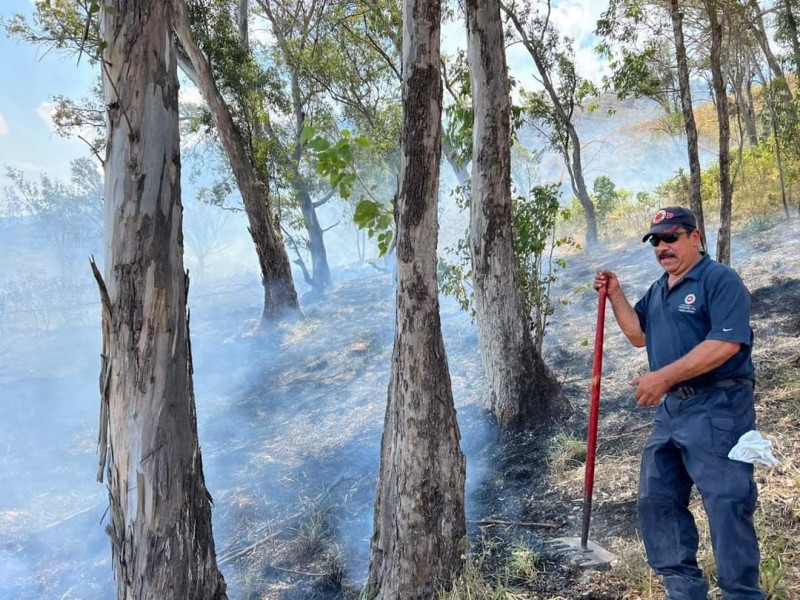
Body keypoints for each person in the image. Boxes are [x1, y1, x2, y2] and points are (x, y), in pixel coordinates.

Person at [594, 206, 763, 599]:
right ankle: (684, 590)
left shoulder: (719, 280)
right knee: (659, 499)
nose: (662, 247)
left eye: (671, 237)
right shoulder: (659, 289)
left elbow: (726, 342)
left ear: (694, 237)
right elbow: (638, 335)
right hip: (672, 411)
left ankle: (742, 593)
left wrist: (664, 377)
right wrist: (617, 294)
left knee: (726, 504)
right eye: (656, 240)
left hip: (719, 405)